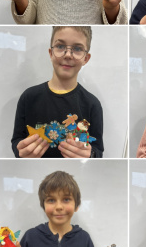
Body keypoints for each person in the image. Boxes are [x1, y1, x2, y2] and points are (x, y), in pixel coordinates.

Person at [0, 171, 121, 247]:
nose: (59, 207)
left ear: (76, 205)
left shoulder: (84, 239)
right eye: (51, 200)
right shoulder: (31, 237)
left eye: (66, 199)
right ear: (43, 206)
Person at [11, 26, 104, 158]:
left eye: (77, 49)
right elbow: (17, 141)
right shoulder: (28, 97)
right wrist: (20, 151)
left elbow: (97, 150)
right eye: (60, 46)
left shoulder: (92, 104)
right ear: (51, 53)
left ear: (86, 58)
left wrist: (90, 155)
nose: (68, 55)